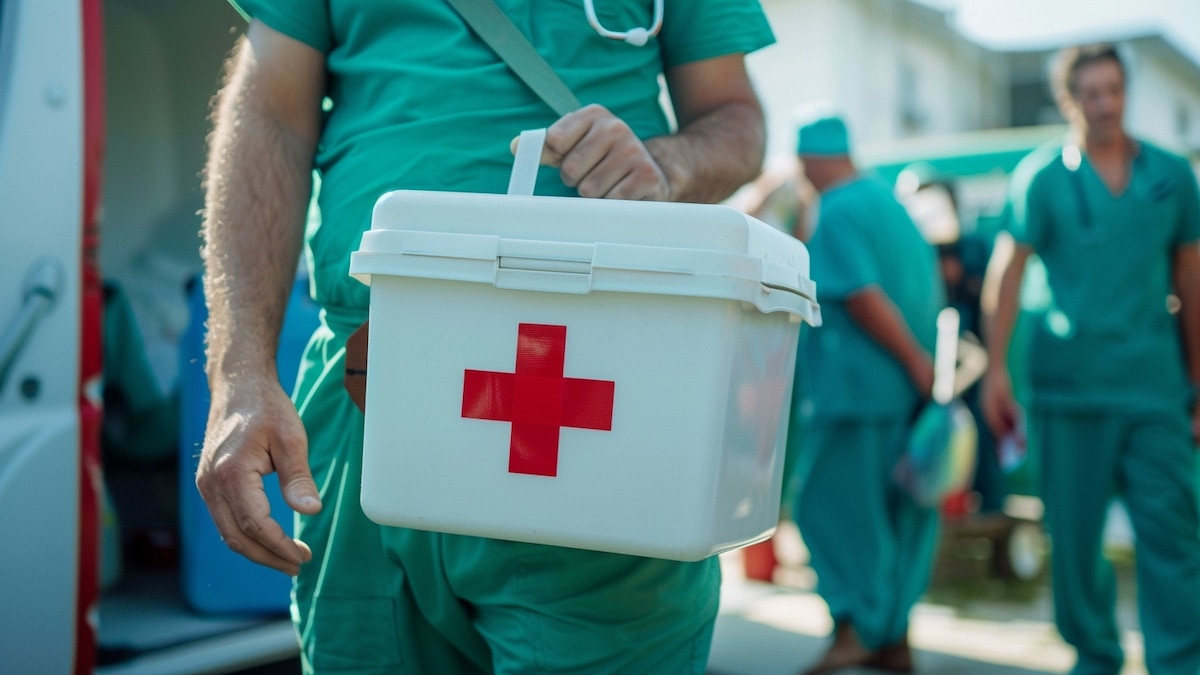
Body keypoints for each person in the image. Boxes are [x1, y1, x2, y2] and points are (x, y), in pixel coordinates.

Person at [194, 3, 775, 672]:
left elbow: (736, 119)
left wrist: (665, 164)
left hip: (608, 377)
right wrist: (239, 373)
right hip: (368, 385)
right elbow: (269, 111)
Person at [980, 43, 1200, 675]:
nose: (1105, 104)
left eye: (1114, 89)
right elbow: (1008, 270)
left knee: (1172, 536)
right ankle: (1095, 657)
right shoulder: (1043, 177)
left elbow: (1191, 276)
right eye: (1090, 93)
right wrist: (996, 370)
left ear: (1126, 92)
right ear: (1069, 100)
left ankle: (1180, 662)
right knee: (1075, 546)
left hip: (1155, 388)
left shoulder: (1171, 175)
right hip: (1067, 388)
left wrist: (1198, 379)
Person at [789, 111, 944, 674]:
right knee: (899, 512)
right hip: (905, 397)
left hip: (858, 393)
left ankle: (857, 627)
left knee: (829, 507)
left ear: (810, 159)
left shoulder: (838, 209)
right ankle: (893, 637)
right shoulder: (890, 206)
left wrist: (913, 362)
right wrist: (924, 373)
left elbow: (861, 295)